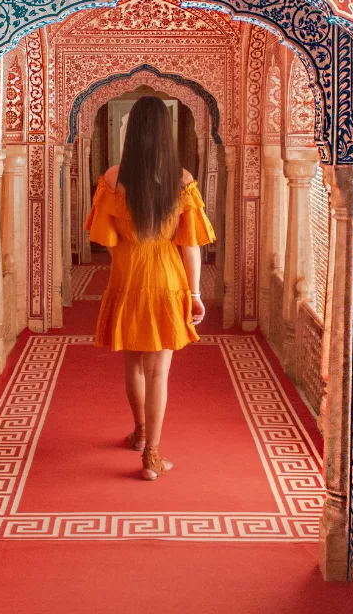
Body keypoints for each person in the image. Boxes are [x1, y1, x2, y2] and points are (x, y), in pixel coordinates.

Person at [84, 95, 216, 481]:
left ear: (129, 133)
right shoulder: (183, 181)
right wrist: (195, 294)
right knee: (159, 372)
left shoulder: (111, 179)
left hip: (127, 279)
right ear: (166, 134)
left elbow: (105, 239)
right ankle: (152, 457)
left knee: (133, 364)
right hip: (167, 281)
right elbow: (190, 244)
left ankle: (140, 433)